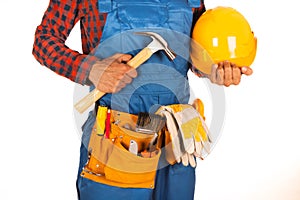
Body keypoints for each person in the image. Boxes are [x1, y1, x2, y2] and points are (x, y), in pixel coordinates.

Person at [32, 0, 253, 199]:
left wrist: (214, 70)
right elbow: (44, 41)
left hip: (177, 143)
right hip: (115, 146)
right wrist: (91, 69)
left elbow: (194, 54)